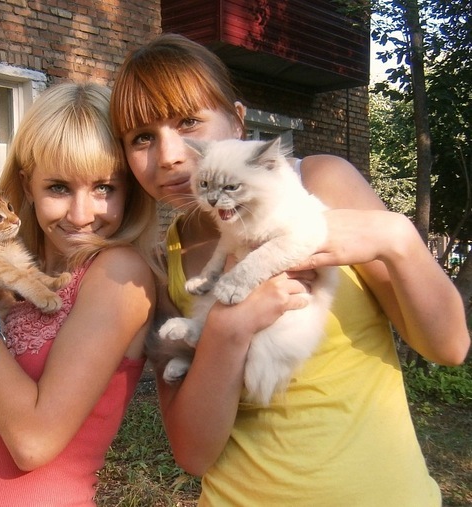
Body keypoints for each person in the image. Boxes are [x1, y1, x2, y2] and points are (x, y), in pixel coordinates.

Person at [109, 33, 471, 506]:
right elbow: (193, 453)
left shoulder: (321, 183)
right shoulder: (166, 260)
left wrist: (398, 238)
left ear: (238, 121)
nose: (170, 154)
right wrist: (227, 329)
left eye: (189, 122)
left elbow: (448, 347)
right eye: (142, 138)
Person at [0, 82, 159, 506]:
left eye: (104, 187)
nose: (81, 215)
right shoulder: (8, 264)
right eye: (59, 187)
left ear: (129, 189)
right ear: (27, 186)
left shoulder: (118, 274)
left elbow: (32, 442)